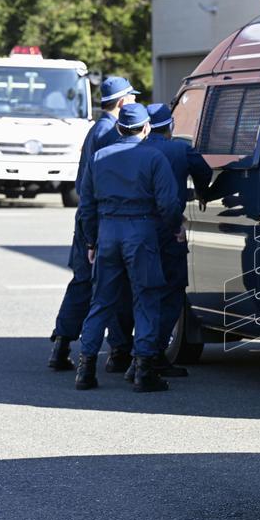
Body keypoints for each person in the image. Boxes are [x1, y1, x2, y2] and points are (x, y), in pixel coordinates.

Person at [74, 103, 183, 393]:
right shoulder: (154, 157)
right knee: (146, 298)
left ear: (120, 128)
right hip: (142, 231)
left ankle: (85, 368)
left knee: (102, 301)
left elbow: (86, 205)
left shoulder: (99, 157)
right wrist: (175, 228)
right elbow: (168, 203)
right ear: (146, 128)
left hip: (108, 231)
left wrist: (91, 241)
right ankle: (143, 370)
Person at [49, 77, 139, 373]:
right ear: (124, 101)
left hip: (88, 218)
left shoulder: (95, 130)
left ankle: (61, 345)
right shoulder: (113, 133)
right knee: (113, 287)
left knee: (82, 283)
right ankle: (118, 352)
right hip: (105, 221)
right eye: (133, 99)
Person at [122, 103, 213, 380]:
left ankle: (133, 354)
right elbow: (205, 173)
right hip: (169, 229)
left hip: (137, 230)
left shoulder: (135, 150)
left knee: (144, 294)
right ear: (170, 126)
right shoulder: (179, 149)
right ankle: (153, 355)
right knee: (172, 292)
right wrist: (201, 193)